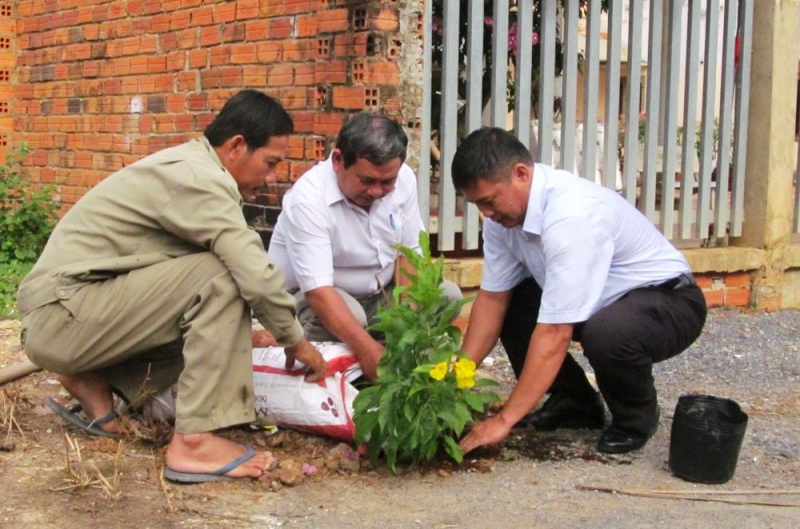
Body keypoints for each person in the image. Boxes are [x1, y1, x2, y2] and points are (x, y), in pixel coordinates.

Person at [17, 90, 327, 483]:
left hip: (68, 317)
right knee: (223, 274)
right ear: (236, 146)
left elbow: (171, 292)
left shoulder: (193, 167)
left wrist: (244, 334)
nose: (272, 179)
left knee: (224, 301)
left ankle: (93, 379)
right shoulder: (201, 180)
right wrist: (296, 341)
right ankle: (195, 442)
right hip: (62, 316)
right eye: (270, 163)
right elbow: (251, 269)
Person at [453, 127, 707, 455]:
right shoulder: (501, 221)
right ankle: (575, 403)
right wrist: (457, 376)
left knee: (608, 333)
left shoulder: (571, 214)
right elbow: (492, 299)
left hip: (669, 301)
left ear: (520, 174)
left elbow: (556, 330)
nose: (485, 213)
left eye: (488, 201)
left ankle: (636, 418)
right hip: (604, 302)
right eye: (477, 204)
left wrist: (504, 420)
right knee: (515, 299)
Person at [268, 112, 461, 380]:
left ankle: (380, 359)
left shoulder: (403, 178)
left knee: (447, 296)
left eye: (386, 182)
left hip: (377, 297)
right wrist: (367, 349)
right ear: (338, 161)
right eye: (367, 180)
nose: (377, 191)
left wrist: (404, 332)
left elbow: (408, 259)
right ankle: (339, 367)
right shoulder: (308, 200)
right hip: (310, 299)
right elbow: (318, 292)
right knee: (354, 319)